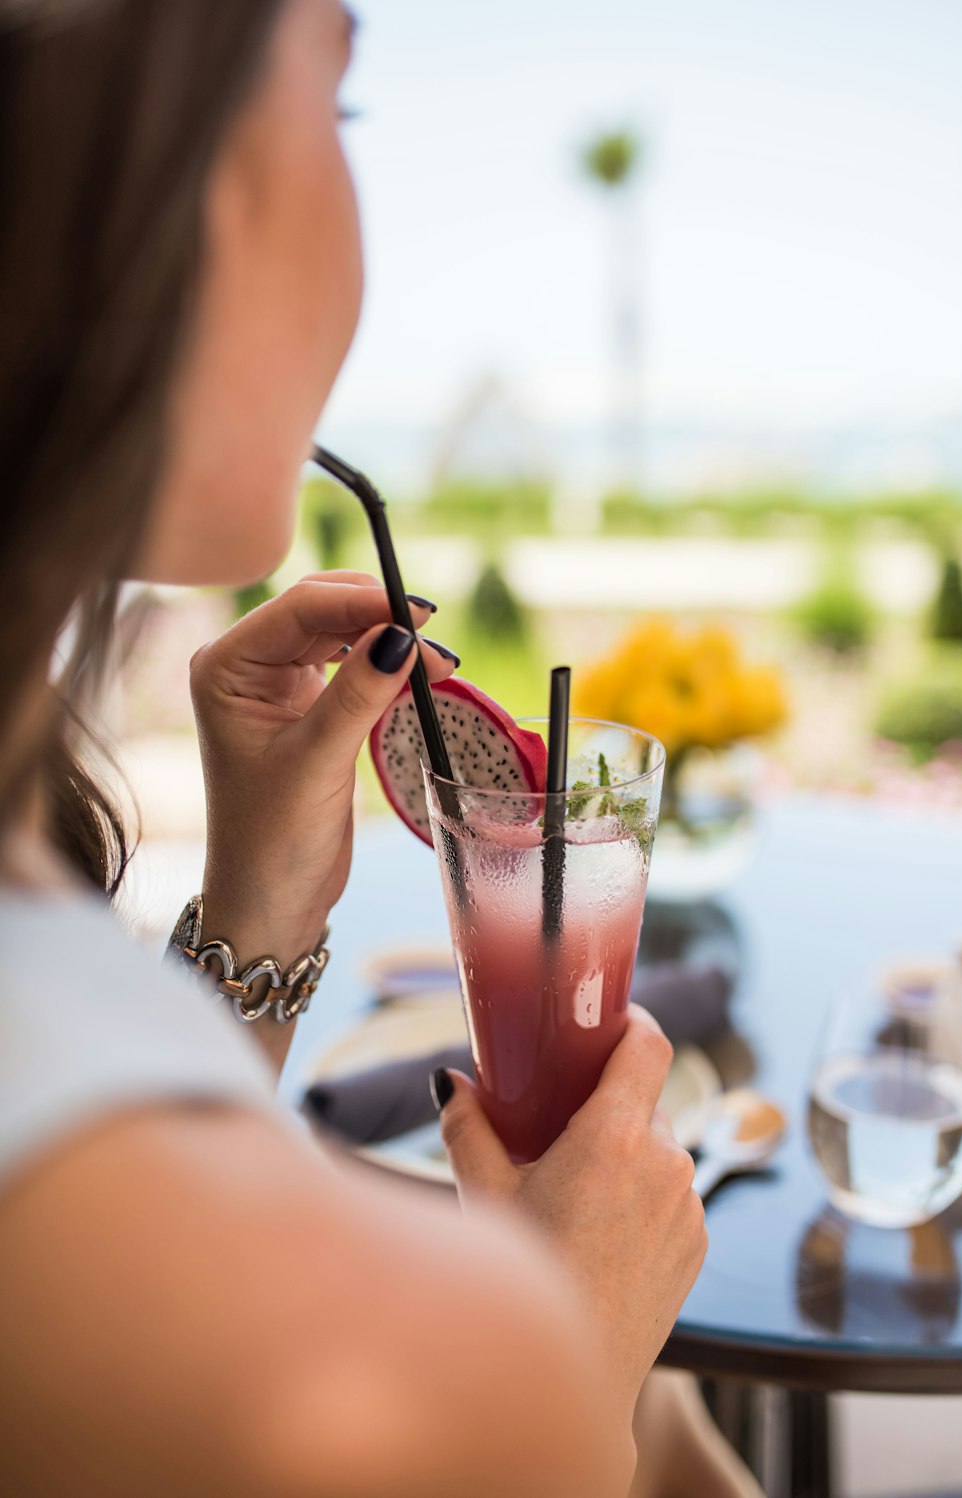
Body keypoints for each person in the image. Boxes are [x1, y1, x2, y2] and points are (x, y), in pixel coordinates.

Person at [0, 3, 760, 1494]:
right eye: (336, 111)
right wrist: (566, 1365)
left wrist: (256, 911)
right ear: (175, 175)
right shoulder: (358, 1367)